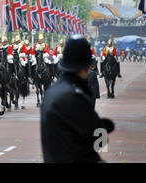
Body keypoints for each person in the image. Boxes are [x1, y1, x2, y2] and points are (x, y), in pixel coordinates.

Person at [40, 35, 115, 163]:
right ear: (85, 67)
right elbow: (100, 142)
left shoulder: (50, 92)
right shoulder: (75, 96)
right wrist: (103, 126)